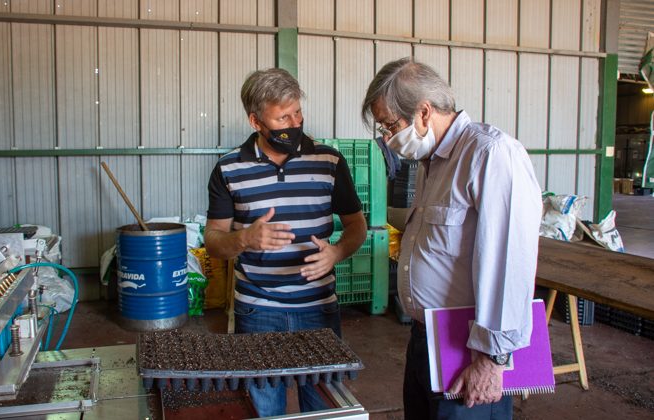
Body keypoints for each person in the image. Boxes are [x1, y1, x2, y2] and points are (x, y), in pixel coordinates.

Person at [361, 58, 542, 419]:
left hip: (471, 351)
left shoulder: (490, 154)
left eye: (390, 124)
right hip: (426, 341)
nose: (386, 137)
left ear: (424, 112)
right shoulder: (433, 163)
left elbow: (509, 264)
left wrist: (493, 359)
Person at [204, 68, 367, 416]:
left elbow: (357, 225)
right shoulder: (228, 169)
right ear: (255, 121)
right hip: (257, 310)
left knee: (323, 406)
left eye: (298, 113)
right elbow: (214, 242)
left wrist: (336, 252)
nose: (294, 123)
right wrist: (245, 238)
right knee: (265, 408)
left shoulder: (329, 162)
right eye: (282, 117)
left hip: (319, 308)